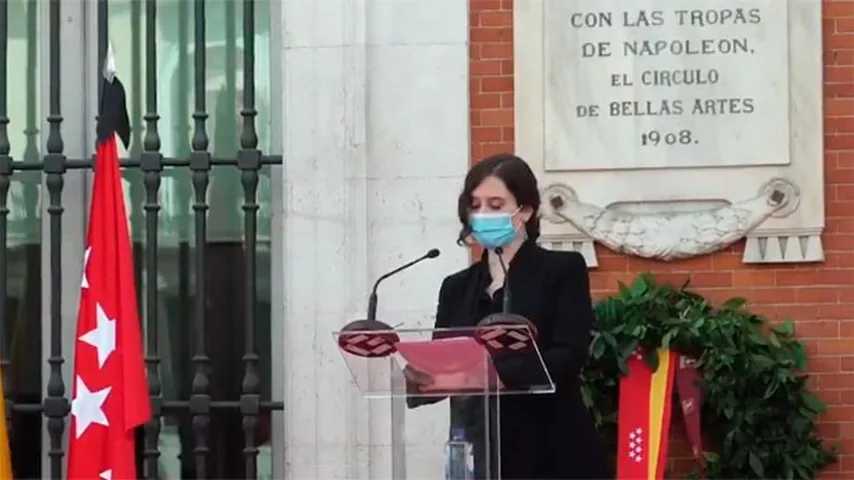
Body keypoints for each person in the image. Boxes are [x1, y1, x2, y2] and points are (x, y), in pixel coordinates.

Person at [411, 153, 611, 479]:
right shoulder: (456, 287)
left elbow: (570, 354)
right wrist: (421, 378)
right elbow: (444, 360)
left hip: (551, 444)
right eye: (475, 205)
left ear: (526, 211)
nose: (482, 214)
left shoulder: (562, 270)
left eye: (495, 204)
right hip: (479, 447)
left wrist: (497, 374)